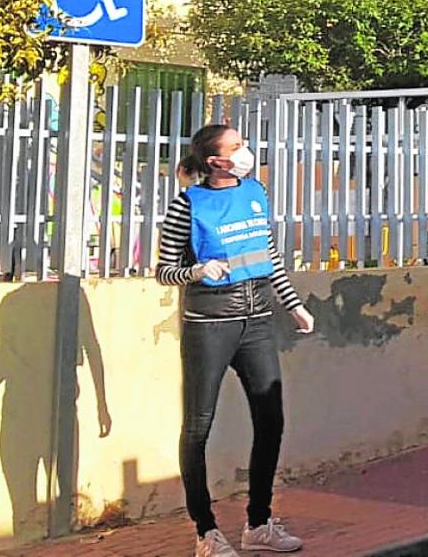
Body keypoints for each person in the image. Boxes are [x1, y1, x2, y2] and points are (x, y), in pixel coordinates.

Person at [157, 124, 315, 557]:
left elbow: (267, 257)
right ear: (215, 161)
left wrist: (293, 304)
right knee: (198, 426)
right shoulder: (186, 204)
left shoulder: (254, 192)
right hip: (210, 322)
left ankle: (259, 523)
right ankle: (205, 531)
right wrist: (195, 272)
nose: (246, 152)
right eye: (237, 147)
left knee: (271, 420)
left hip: (258, 320)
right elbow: (163, 269)